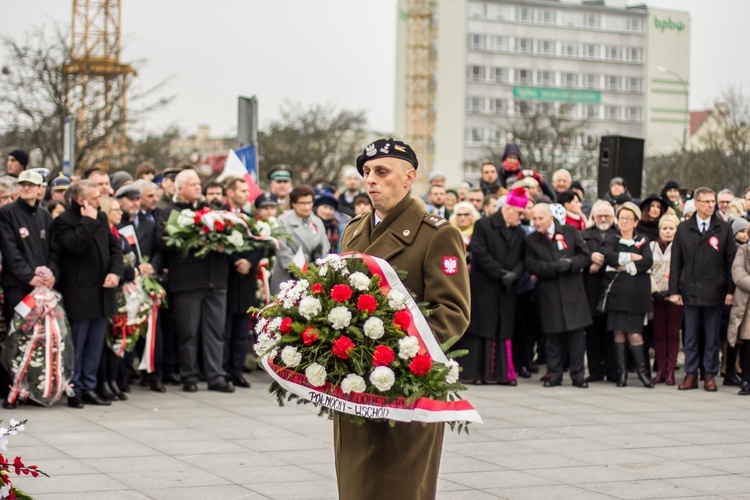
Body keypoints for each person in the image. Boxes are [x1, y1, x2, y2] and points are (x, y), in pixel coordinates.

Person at [335, 138, 470, 500]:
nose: (370, 180)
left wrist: (397, 351)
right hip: (355, 382)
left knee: (400, 485)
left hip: (406, 385)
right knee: (356, 483)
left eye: (381, 171)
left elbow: (452, 313)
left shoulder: (436, 234)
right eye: (366, 172)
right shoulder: (354, 229)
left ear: (409, 177)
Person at [157, 169, 235, 394]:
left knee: (215, 331)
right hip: (187, 281)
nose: (198, 188)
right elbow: (163, 242)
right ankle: (189, 375)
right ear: (179, 188)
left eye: (198, 184)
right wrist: (191, 240)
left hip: (216, 279)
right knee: (188, 331)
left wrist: (224, 244)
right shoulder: (169, 213)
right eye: (192, 184)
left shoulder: (214, 211)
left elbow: (232, 237)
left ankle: (215, 375)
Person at [51, 179, 123, 408]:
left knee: (95, 346)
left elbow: (115, 247)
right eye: (94, 198)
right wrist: (87, 221)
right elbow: (74, 246)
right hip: (80, 295)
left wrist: (115, 272)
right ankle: (74, 389)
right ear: (80, 200)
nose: (98, 202)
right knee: (78, 346)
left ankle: (89, 387)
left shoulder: (101, 217)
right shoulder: (64, 221)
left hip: (102, 292)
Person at [669, 187, 737, 391]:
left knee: (712, 336)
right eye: (706, 201)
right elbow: (676, 262)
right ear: (696, 203)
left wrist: (729, 290)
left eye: (712, 201)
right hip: (690, 291)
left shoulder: (723, 228)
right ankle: (690, 374)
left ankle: (709, 375)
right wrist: (674, 291)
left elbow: (730, 262)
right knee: (690, 336)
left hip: (715, 292)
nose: (710, 205)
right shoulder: (684, 229)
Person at [0, 170, 58, 408]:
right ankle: (13, 389)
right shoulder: (7, 213)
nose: (26, 188)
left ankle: (34, 388)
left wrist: (51, 274)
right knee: (17, 335)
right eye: (22, 184)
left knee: (41, 338)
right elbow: (10, 250)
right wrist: (28, 276)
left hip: (42, 291)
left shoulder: (45, 215)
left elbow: (54, 251)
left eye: (30, 185)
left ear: (39, 189)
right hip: (19, 289)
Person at [460, 188, 527, 385]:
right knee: (482, 329)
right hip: (485, 287)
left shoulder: (520, 232)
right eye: (520, 213)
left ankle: (503, 374)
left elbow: (523, 258)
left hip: (507, 289)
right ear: (508, 209)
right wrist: (500, 273)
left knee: (503, 330)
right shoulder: (484, 225)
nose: (522, 217)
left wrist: (514, 273)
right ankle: (478, 374)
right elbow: (479, 253)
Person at [525, 203, 591, 388]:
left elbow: (585, 256)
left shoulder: (569, 231)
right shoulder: (531, 240)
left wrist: (570, 263)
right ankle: (555, 375)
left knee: (577, 338)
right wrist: (554, 267)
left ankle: (578, 376)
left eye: (540, 219)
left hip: (573, 293)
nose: (537, 222)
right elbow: (531, 265)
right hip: (549, 294)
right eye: (534, 219)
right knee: (552, 338)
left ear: (550, 218)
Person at [603, 202, 654, 388]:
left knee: (635, 334)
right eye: (621, 218)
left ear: (635, 221)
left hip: (638, 295)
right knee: (619, 333)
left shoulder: (643, 239)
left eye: (628, 218)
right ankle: (622, 372)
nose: (624, 221)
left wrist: (625, 265)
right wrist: (632, 257)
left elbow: (648, 261)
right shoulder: (611, 238)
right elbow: (609, 256)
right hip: (618, 293)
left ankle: (642, 372)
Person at [223, 177, 265, 389]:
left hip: (246, 279)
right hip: (228, 279)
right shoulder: (222, 218)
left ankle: (237, 370)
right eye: (241, 190)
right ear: (230, 193)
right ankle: (224, 370)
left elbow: (261, 244)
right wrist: (236, 261)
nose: (245, 194)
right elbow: (219, 243)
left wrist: (249, 262)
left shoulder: (250, 219)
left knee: (241, 330)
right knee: (225, 329)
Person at [581, 200, 619, 383]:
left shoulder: (619, 234)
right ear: (593, 217)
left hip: (613, 289)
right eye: (599, 216)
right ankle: (595, 371)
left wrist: (601, 260)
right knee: (593, 333)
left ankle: (612, 370)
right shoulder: (584, 235)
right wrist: (590, 259)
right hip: (590, 290)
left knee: (611, 333)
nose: (603, 219)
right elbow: (578, 256)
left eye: (607, 216)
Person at [270, 185, 330, 294]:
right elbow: (281, 248)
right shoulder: (283, 221)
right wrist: (298, 270)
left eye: (309, 203)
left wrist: (316, 268)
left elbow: (324, 247)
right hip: (287, 276)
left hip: (311, 276)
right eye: (303, 203)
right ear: (294, 204)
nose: (307, 207)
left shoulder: (317, 222)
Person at [650, 214, 682, 385]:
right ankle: (660, 369)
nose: (668, 232)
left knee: (673, 334)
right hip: (656, 296)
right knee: (659, 334)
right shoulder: (651, 246)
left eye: (671, 228)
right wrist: (654, 290)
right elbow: (647, 270)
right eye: (665, 228)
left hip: (675, 297)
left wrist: (674, 290)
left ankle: (671, 370)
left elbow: (683, 271)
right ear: (660, 230)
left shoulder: (680, 247)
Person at [728, 230, 750, 395]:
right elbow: (738, 273)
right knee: (748, 345)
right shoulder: (743, 250)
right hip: (746, 303)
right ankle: (748, 380)